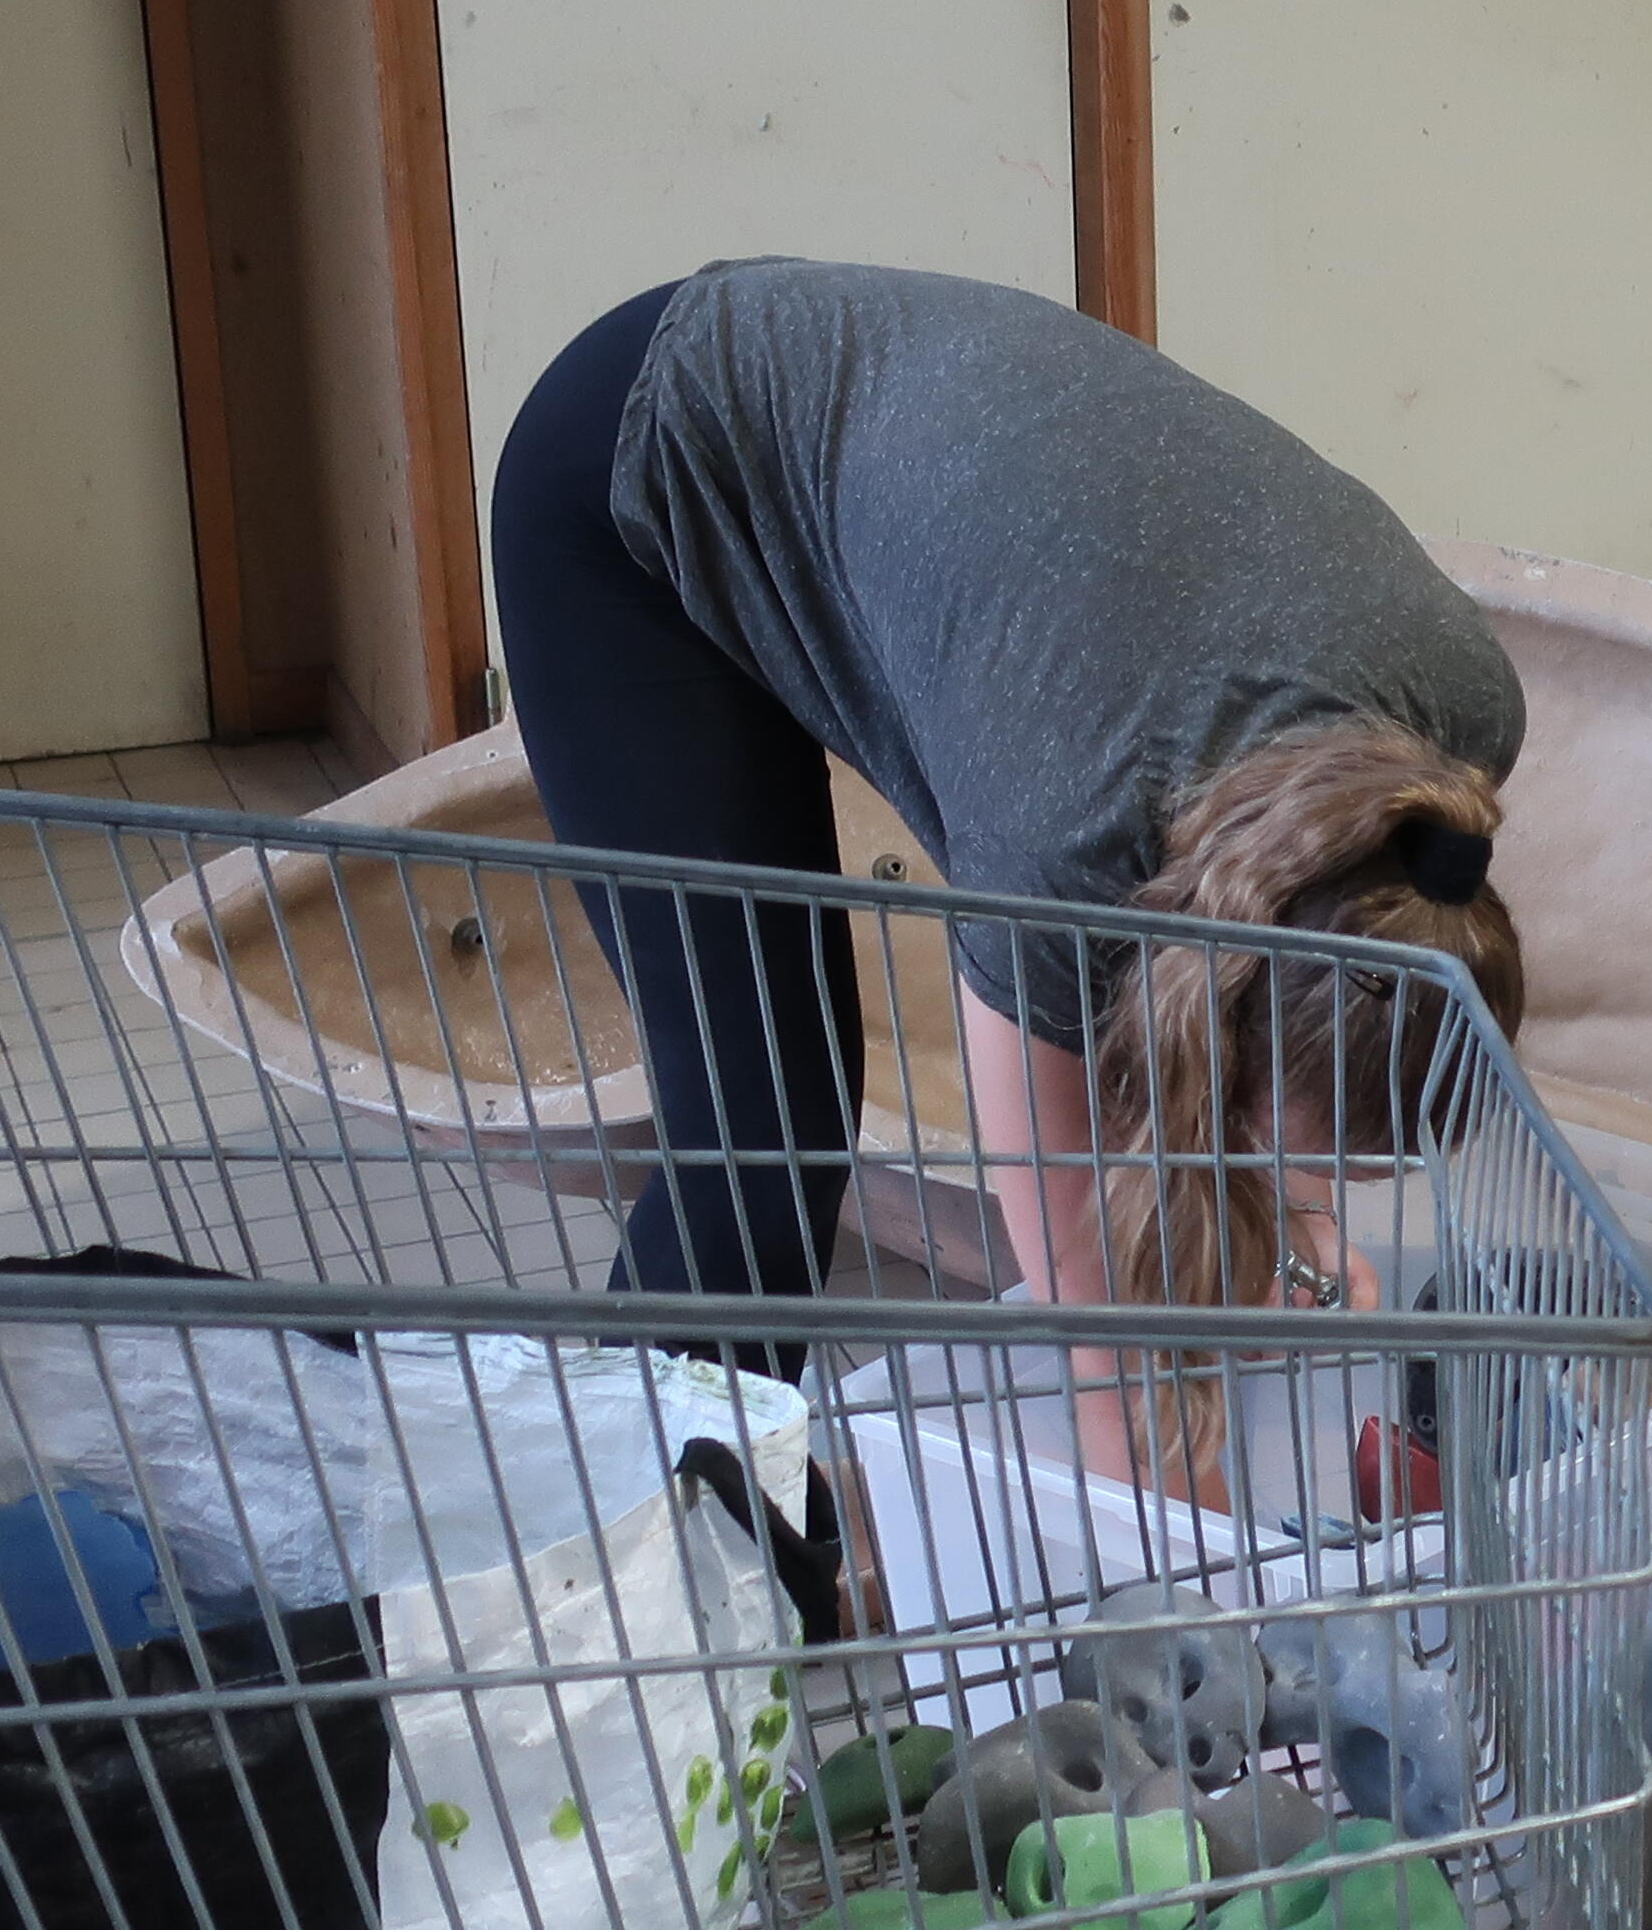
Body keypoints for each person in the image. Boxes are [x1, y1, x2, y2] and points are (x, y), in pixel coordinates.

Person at [487, 259, 1528, 1488]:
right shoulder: (1071, 835)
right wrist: (1196, 1557)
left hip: (962, 508)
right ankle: (629, 1531)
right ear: (1227, 1003)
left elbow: (1300, 1024)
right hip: (641, 461)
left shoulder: (1451, 753)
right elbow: (1098, 1340)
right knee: (764, 1117)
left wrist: (1295, 1225)